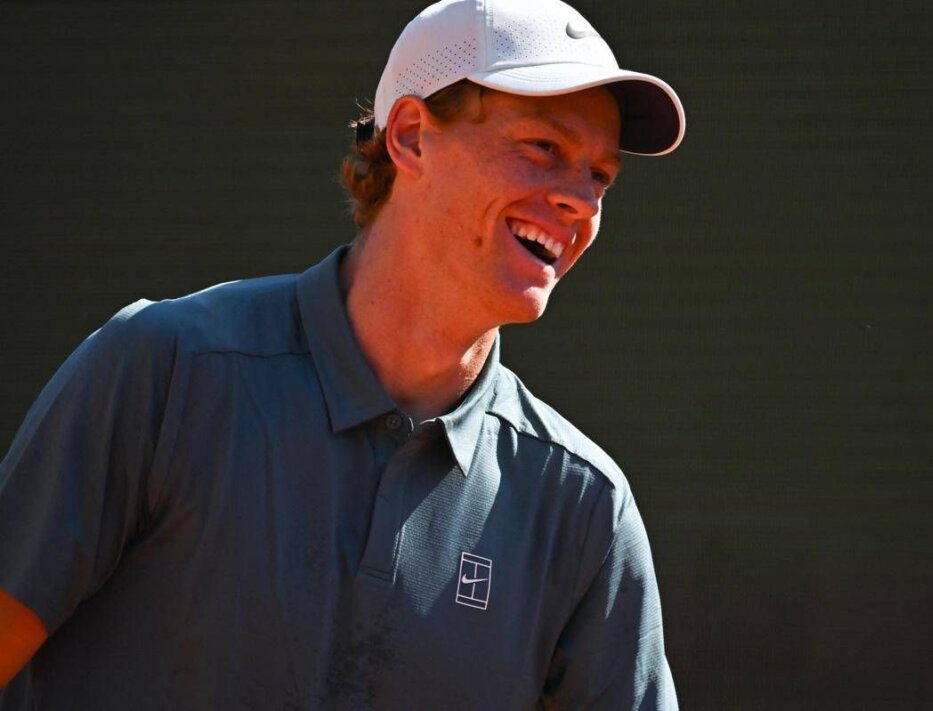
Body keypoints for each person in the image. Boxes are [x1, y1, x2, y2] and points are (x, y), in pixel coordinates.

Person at [0, 0, 686, 707]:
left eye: (599, 176)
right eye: (543, 147)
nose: (581, 201)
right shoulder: (166, 370)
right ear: (411, 137)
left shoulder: (586, 506)